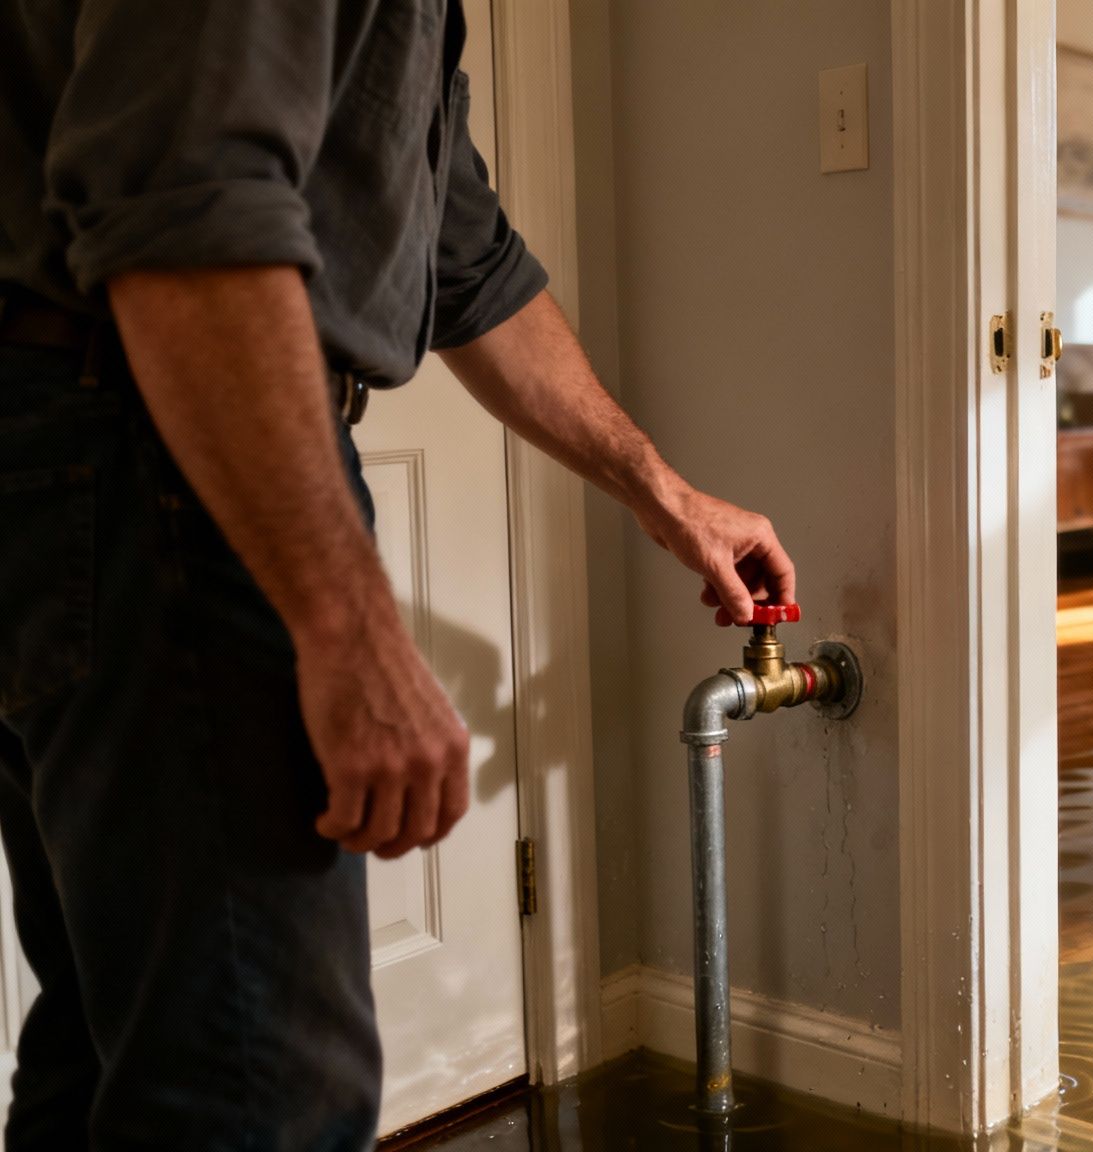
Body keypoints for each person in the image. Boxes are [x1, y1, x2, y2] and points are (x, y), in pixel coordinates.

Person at [0, 3, 793, 1146]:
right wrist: (350, 630)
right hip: (150, 451)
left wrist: (663, 497)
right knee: (257, 1092)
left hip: (87, 450)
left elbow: (467, 264)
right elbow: (185, 210)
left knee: (105, 1042)